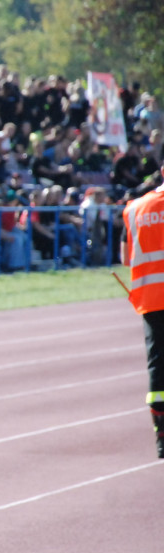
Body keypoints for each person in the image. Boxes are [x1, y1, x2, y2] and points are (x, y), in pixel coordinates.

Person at [121, 162, 164, 459]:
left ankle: (161, 435)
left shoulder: (134, 208)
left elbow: (125, 258)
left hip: (149, 298)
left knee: (157, 366)